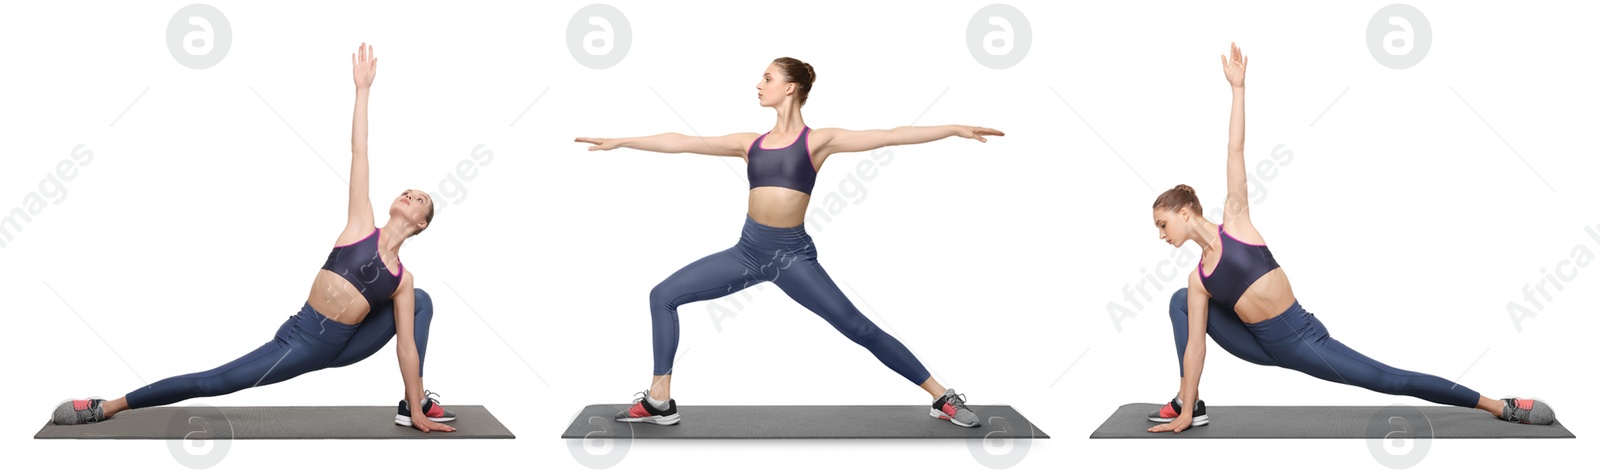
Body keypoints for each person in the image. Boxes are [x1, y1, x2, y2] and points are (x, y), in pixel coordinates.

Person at [1146, 43, 1555, 433]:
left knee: (1386, 379)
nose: (1161, 234)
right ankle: (1189, 403)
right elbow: (1195, 348)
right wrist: (1187, 401)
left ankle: (1499, 406)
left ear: (1186, 212)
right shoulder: (1198, 281)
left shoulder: (1236, 222)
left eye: (1163, 224)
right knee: (1180, 301)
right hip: (1257, 345)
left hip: (1301, 338)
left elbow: (1235, 150)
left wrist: (1238, 89)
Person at [576, 57, 1003, 428]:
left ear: (790, 87)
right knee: (663, 295)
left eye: (766, 78)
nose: (758, 85)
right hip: (746, 253)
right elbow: (682, 142)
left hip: (791, 257)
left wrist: (954, 129)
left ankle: (941, 397)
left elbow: (891, 134)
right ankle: (659, 400)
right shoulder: (750, 144)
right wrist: (622, 141)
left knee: (858, 328)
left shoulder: (818, 141)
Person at [51, 44, 458, 433]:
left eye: (420, 198)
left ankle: (413, 403)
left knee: (421, 301)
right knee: (215, 382)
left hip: (346, 345)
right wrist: (363, 91)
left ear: (421, 223)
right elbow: (359, 152)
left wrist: (416, 400)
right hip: (303, 339)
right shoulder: (360, 225)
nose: (410, 195)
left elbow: (407, 347)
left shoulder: (402, 281)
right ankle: (106, 406)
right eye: (407, 190)